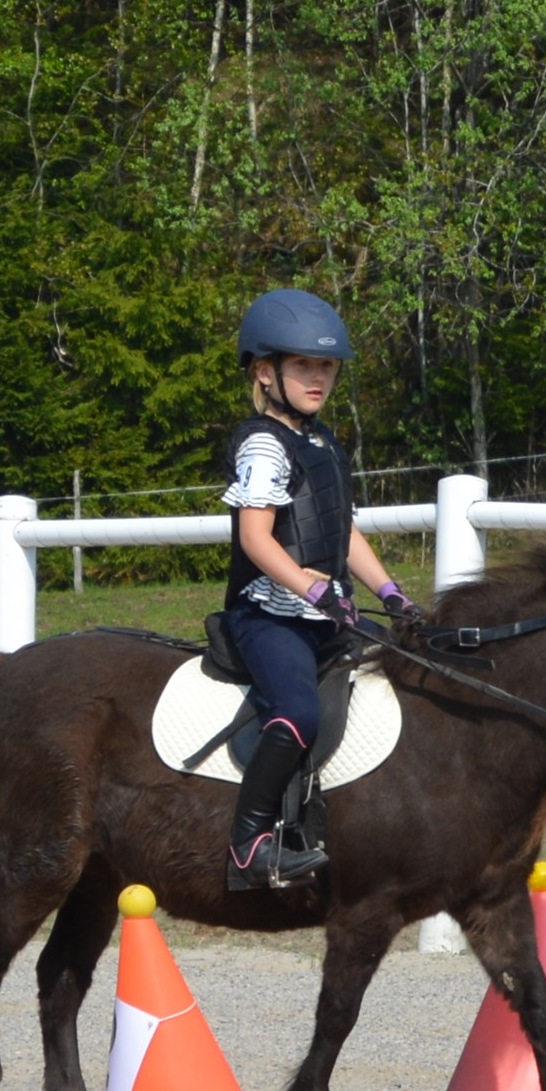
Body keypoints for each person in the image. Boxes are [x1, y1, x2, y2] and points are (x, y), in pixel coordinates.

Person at [220, 289, 421, 889]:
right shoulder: (262, 445)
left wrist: (389, 592)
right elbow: (256, 539)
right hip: (269, 616)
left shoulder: (322, 441)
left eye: (327, 367)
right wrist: (310, 588)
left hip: (322, 613)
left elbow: (340, 530)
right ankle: (249, 844)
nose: (318, 378)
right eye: (303, 365)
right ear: (265, 372)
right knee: (299, 711)